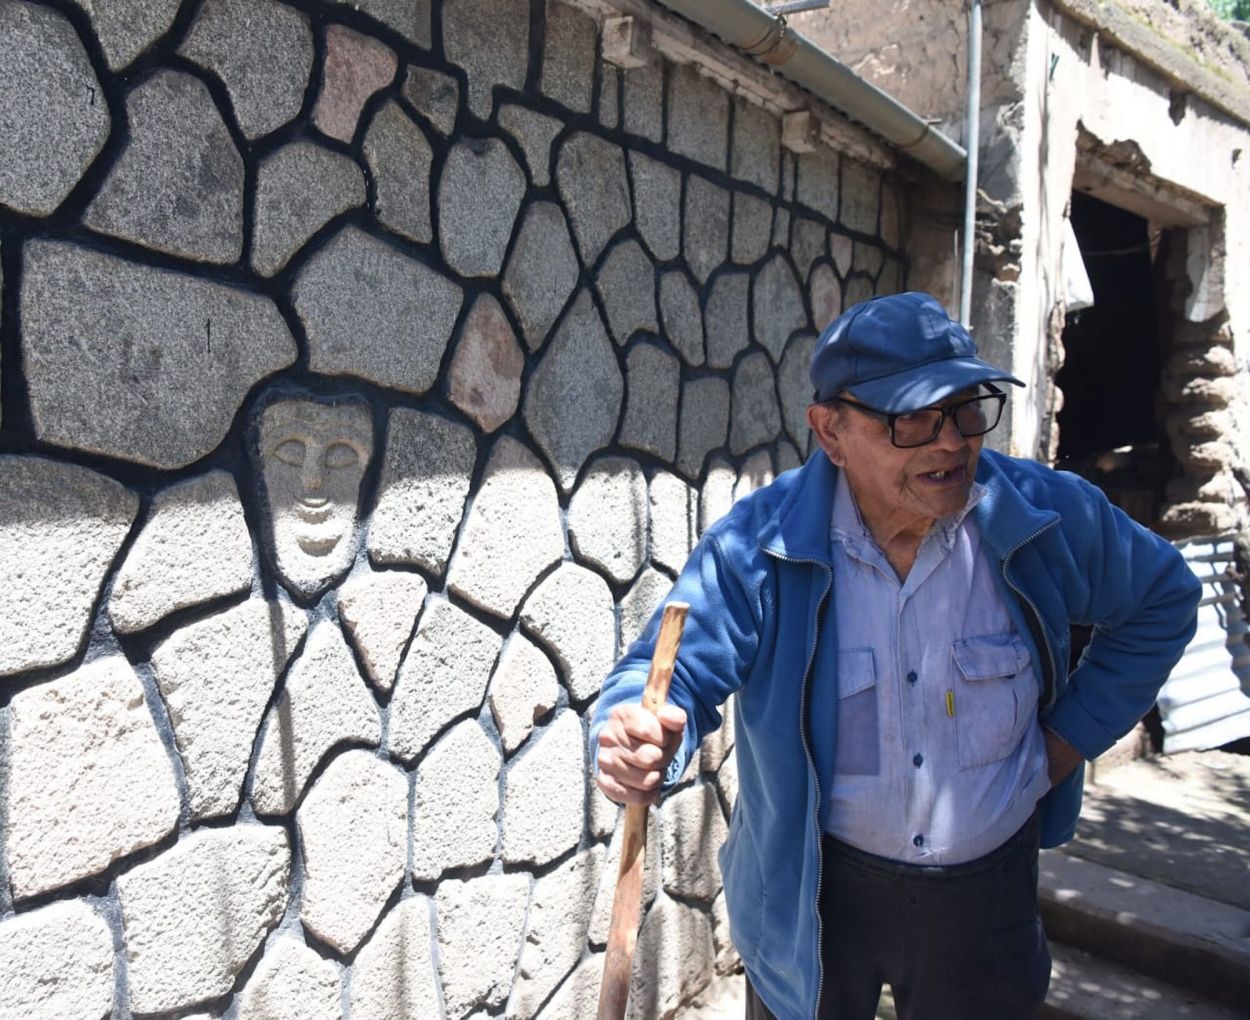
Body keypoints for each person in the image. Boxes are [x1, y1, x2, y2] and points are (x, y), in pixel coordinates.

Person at [591, 292, 1200, 1020]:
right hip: (812, 894)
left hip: (988, 892)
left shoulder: (1042, 518)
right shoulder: (761, 546)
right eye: (912, 418)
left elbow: (1164, 599)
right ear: (831, 432)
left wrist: (1061, 747)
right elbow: (669, 673)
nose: (952, 442)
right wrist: (635, 728)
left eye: (966, 408)